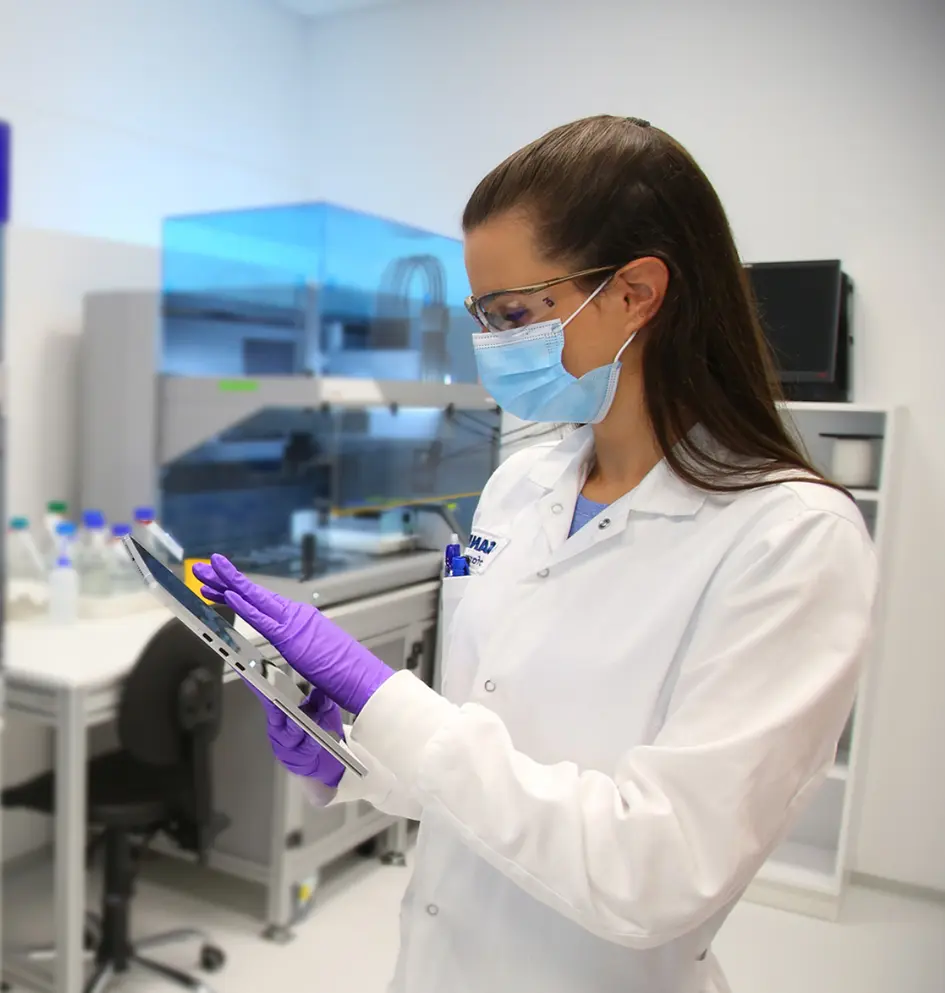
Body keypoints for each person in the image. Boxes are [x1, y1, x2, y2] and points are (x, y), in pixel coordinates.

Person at [194, 115, 876, 993]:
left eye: (514, 312)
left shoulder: (790, 538)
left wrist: (391, 702)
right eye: (481, 314)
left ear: (636, 292)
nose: (491, 344)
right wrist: (357, 758)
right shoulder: (522, 485)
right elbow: (482, 758)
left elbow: (657, 871)